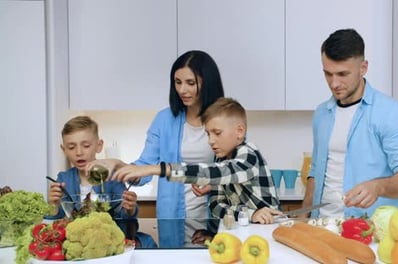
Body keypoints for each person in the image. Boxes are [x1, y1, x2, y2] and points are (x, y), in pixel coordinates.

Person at [88, 50, 225, 247]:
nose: (182, 90)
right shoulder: (164, 120)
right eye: (177, 82)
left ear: (207, 82)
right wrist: (118, 166)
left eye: (190, 83)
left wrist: (212, 185)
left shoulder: (224, 119)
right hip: (173, 219)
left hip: (215, 219)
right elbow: (145, 168)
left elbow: (236, 173)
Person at [301, 29, 398, 219]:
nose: (334, 83)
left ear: (363, 68)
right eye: (328, 74)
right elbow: (316, 171)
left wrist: (378, 187)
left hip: (368, 231)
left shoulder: (392, 113)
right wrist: (304, 216)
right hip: (322, 227)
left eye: (343, 74)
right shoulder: (321, 114)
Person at [108, 97, 282, 227]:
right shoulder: (221, 159)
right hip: (246, 231)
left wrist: (157, 169)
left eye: (217, 133)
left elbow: (218, 172)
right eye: (208, 134)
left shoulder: (248, 156)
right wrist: (250, 214)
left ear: (239, 131)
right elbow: (216, 206)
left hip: (269, 229)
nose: (211, 141)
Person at [46, 116, 157, 248]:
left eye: (86, 146)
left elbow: (126, 218)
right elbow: (56, 219)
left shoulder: (112, 178)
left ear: (99, 146)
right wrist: (53, 204)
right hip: (79, 244)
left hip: (111, 242)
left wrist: (130, 208)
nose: (79, 152)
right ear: (64, 150)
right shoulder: (64, 179)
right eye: (71, 147)